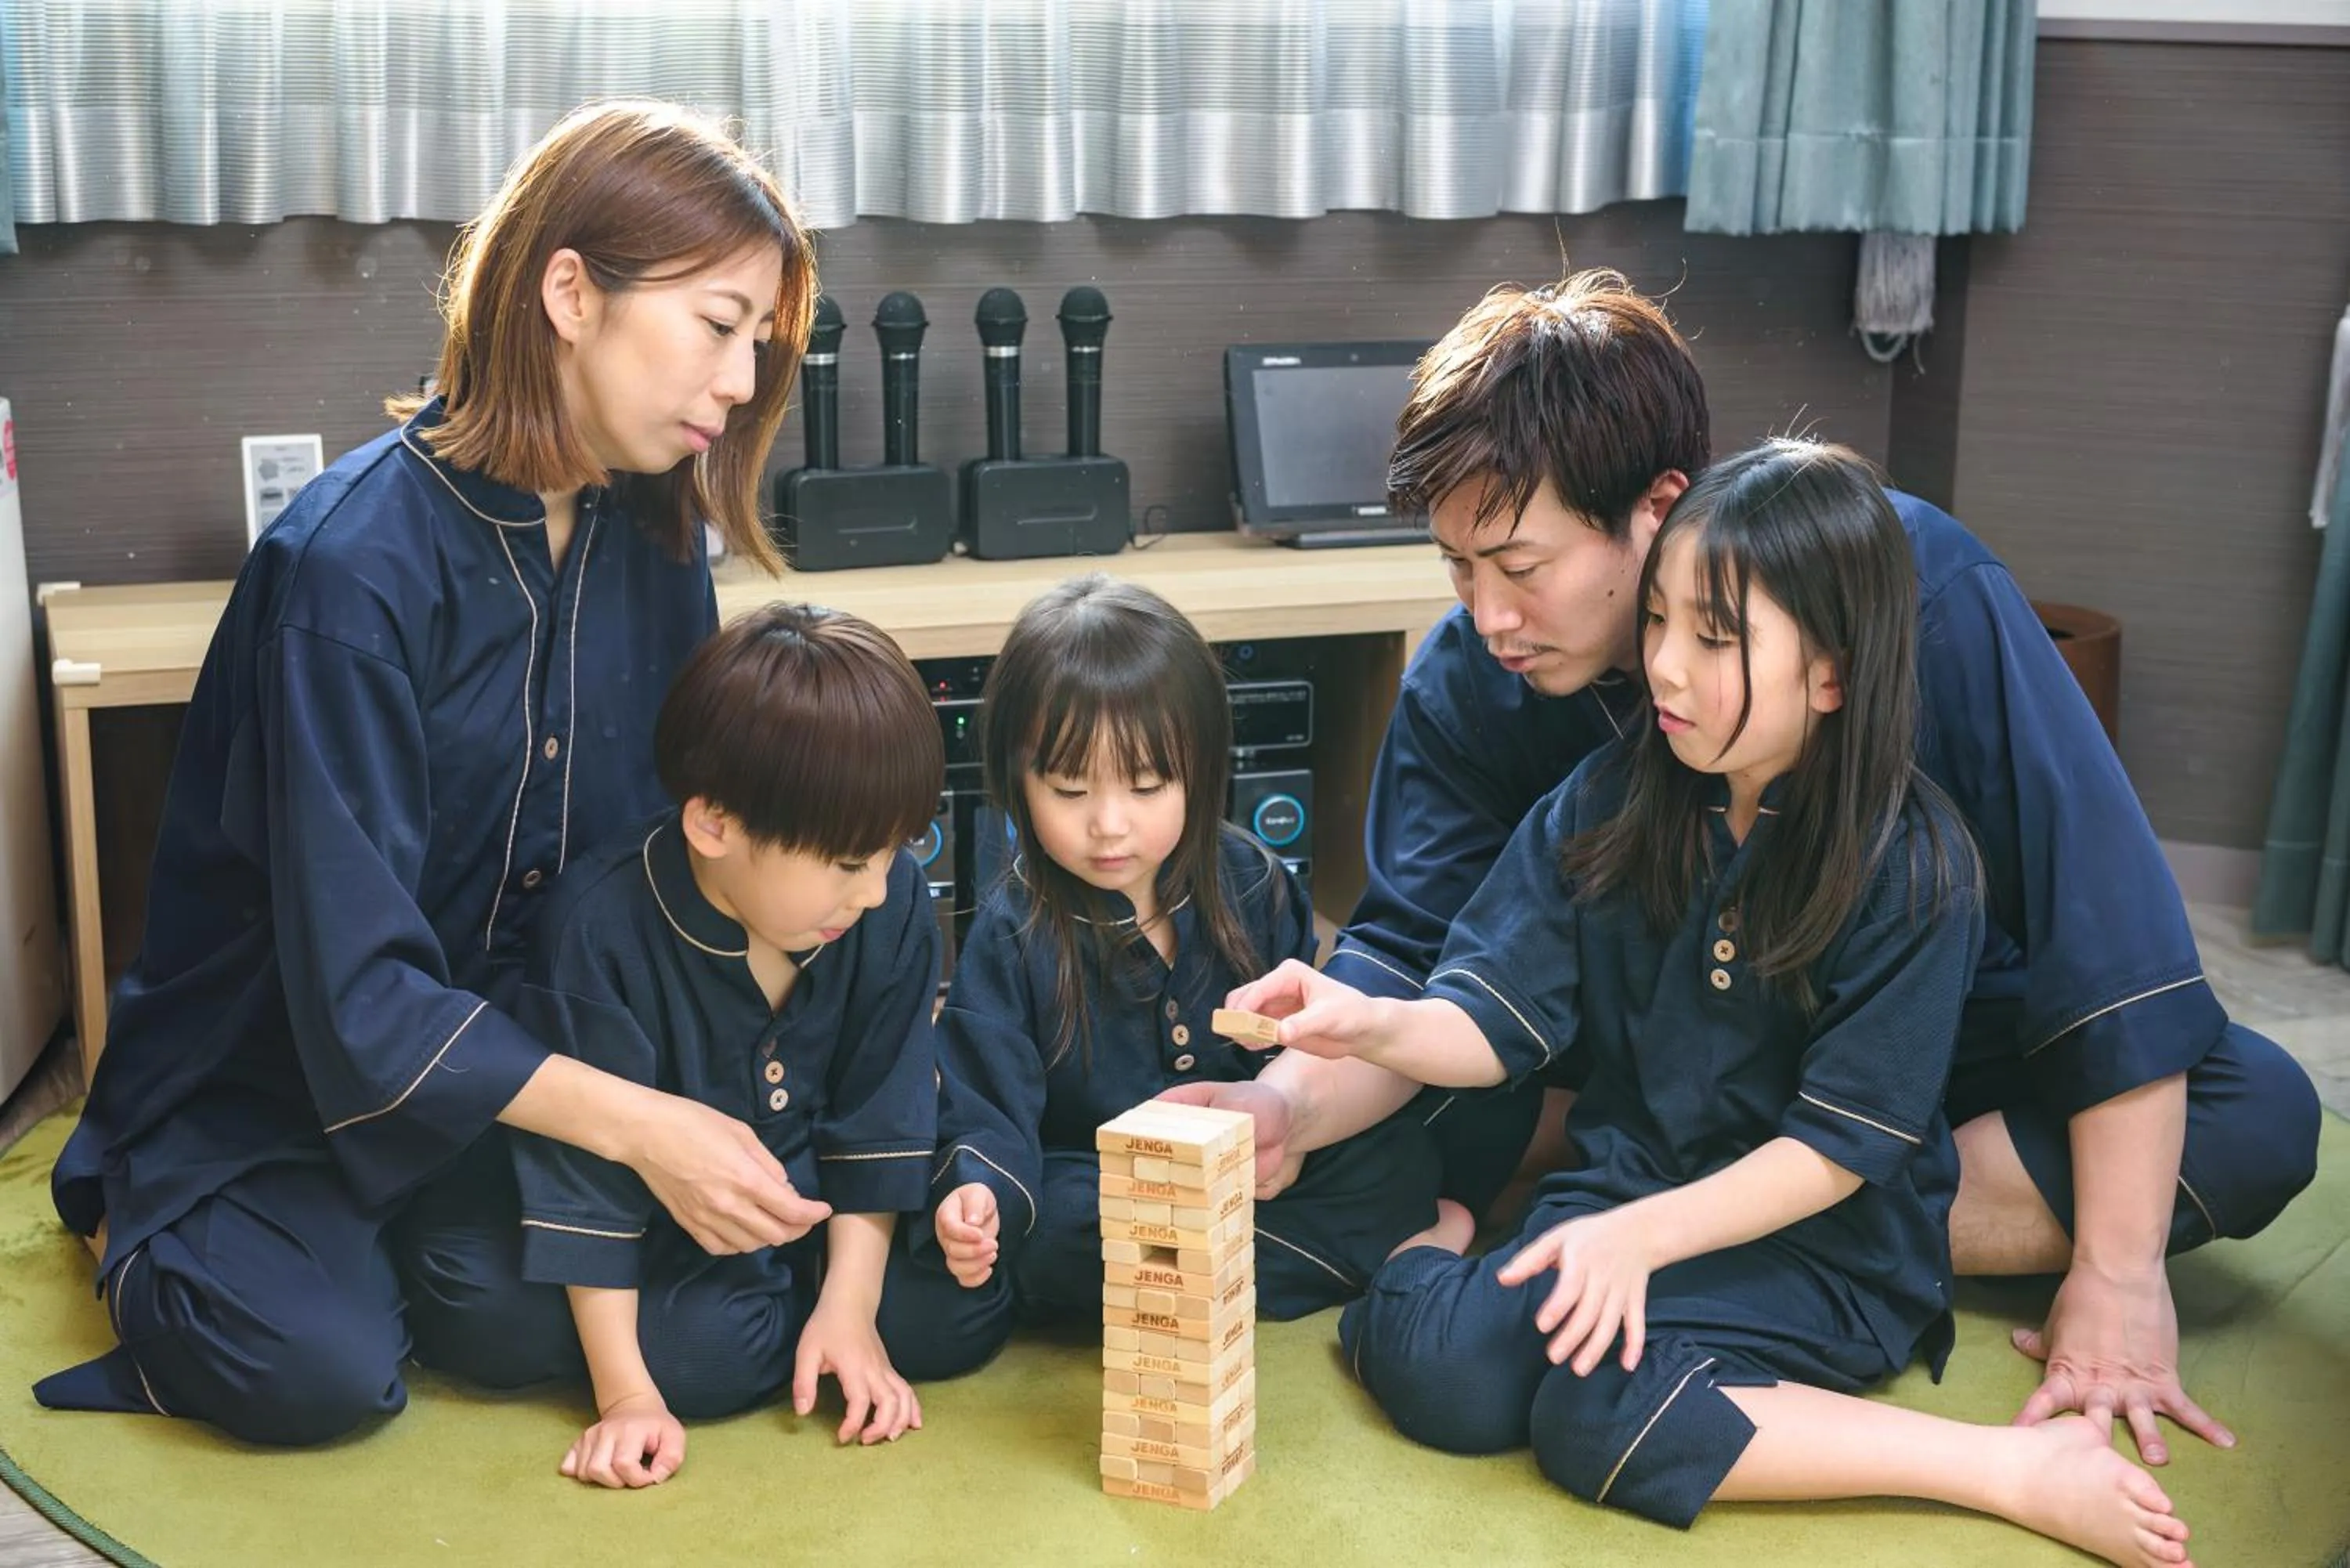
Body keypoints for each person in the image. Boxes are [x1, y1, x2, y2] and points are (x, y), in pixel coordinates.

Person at [1200, 271, 2319, 1468]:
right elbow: (1419, 966)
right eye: (1455, 570)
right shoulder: (1476, 683)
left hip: (1910, 1068)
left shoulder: (1905, 592)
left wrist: (2118, 1267)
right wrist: (1286, 1104)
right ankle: (1704, 1222)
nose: (1486, 615)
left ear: (1657, 507)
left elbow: (2108, 934)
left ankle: (1767, 1236)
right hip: (1642, 1072)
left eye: (1521, 566)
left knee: (2256, 1115)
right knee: (1395, 1123)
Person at [1234, 440, 2194, 1568]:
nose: (1667, 670)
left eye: (1715, 637)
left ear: (1832, 672)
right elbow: (1495, 1017)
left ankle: (2001, 1466)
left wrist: (1638, 1238)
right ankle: (1423, 1249)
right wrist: (1369, 1022)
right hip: (1623, 1199)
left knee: (1592, 1413)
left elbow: (1836, 1153)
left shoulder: (1916, 864)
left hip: (1822, 1250)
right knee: (1448, 1377)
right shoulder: (1613, 797)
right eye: (1659, 626)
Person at [38, 101, 832, 1444]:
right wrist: (644, 1131)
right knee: (315, 1376)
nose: (744, 380)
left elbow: (645, 870)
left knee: (704, 1339)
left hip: (530, 1066)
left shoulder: (658, 543)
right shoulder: (347, 572)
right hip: (281, 1080)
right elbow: (358, 997)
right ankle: (144, 1205)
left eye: (760, 340)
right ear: (569, 291)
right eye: (717, 323)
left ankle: (420, 1249)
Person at [883, 575, 1441, 1367]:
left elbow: (1302, 1061)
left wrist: (1286, 1144)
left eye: (1147, 786)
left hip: (1238, 1180)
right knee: (999, 1261)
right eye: (1069, 789)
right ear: (1017, 778)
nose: (1110, 824)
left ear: (1201, 770)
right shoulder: (1016, 926)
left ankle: (1167, 1287)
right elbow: (987, 1111)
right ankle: (1280, 1269)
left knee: (1397, 1156)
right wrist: (978, 1195)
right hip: (1094, 1185)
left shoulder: (1249, 878)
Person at [515, 604, 947, 1488]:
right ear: (713, 825)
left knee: (962, 1311)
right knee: (686, 1359)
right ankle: (774, 1321)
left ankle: (820, 1316)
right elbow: (586, 1185)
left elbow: (882, 1111)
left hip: (827, 1212)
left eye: (890, 857)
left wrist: (851, 1303)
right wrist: (625, 1396)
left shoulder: (890, 897)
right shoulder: (597, 925)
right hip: (671, 1233)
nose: (873, 892)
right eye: (844, 863)